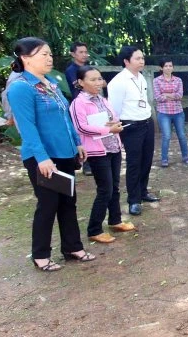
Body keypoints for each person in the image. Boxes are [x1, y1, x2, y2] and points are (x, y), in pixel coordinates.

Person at [7, 37, 95, 272]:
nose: (49, 58)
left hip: (64, 152)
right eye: (42, 54)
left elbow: (66, 117)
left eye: (49, 54)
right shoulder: (20, 88)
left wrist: (77, 143)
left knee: (69, 201)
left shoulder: (51, 84)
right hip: (43, 156)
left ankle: (72, 248)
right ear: (25, 58)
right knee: (48, 204)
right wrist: (42, 158)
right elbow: (27, 127)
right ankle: (40, 255)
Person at [70, 66, 136, 243]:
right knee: (105, 189)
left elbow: (112, 117)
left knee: (114, 186)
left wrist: (115, 123)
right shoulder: (79, 103)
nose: (98, 83)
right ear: (81, 83)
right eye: (93, 80)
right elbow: (81, 127)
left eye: (99, 79)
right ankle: (94, 229)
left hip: (113, 146)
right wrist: (106, 128)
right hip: (97, 151)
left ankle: (115, 220)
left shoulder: (102, 99)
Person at [107, 45, 159, 217]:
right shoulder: (118, 82)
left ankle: (143, 191)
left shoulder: (142, 78)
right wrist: (117, 129)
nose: (142, 61)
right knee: (134, 162)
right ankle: (134, 200)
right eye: (137, 58)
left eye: (142, 58)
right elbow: (114, 109)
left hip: (146, 122)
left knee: (147, 159)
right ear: (126, 61)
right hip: (130, 126)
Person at [153, 59, 188, 167]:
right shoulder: (156, 81)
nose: (168, 68)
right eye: (166, 66)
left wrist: (166, 94)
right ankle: (164, 159)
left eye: (170, 66)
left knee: (182, 135)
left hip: (178, 112)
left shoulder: (178, 80)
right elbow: (158, 97)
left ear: (173, 67)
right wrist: (172, 95)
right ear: (161, 68)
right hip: (164, 113)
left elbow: (180, 96)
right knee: (167, 136)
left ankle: (186, 156)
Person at [64, 42, 93, 175]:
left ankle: (94, 161)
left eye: (85, 52)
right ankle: (85, 164)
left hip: (92, 102)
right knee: (83, 134)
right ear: (73, 54)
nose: (84, 54)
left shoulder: (89, 67)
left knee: (94, 131)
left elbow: (102, 82)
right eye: (81, 52)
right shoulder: (71, 70)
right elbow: (79, 86)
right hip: (79, 104)